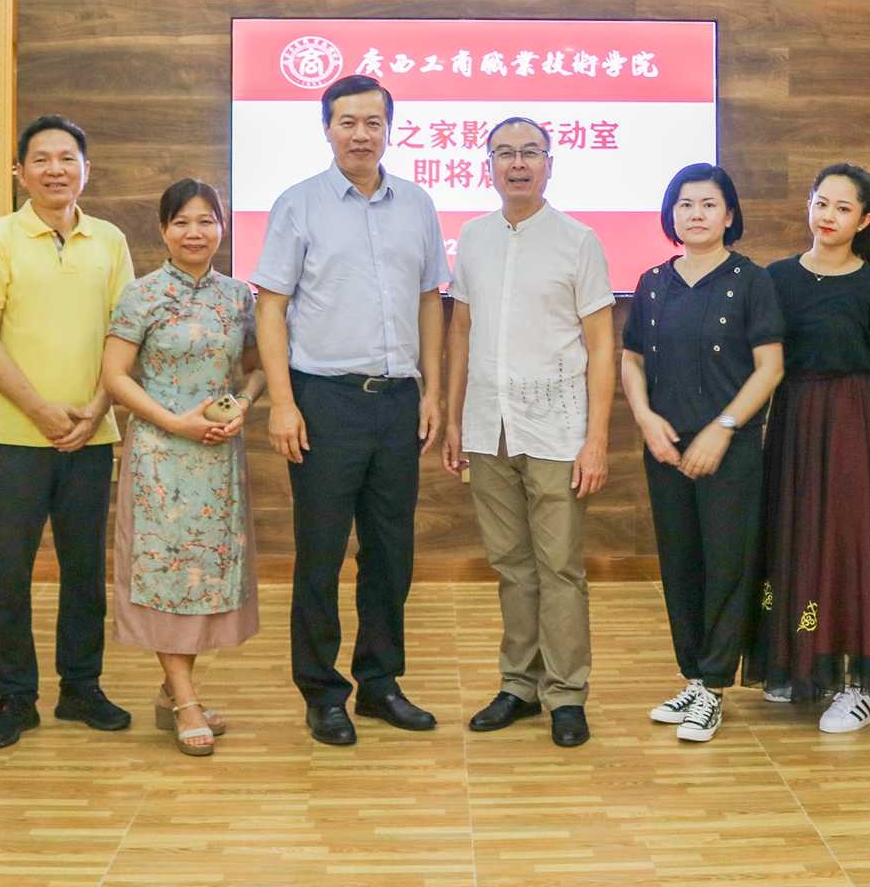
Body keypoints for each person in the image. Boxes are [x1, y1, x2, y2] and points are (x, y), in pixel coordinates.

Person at [252, 75, 449, 747]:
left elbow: (430, 299)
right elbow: (271, 307)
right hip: (324, 401)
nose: (360, 134)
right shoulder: (298, 204)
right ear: (327, 129)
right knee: (321, 552)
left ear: (390, 128)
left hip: (397, 401)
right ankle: (321, 691)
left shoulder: (417, 204)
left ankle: (380, 682)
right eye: (347, 122)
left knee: (391, 552)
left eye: (372, 122)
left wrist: (432, 390)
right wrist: (283, 403)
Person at [745, 163, 870, 734]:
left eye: (843, 207)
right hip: (794, 421)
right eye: (821, 203)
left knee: (853, 541)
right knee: (800, 535)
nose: (828, 216)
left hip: (857, 423)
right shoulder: (775, 278)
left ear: (863, 220)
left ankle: (865, 684)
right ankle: (805, 666)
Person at [441, 118, 616, 749]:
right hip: (488, 426)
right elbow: (461, 330)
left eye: (530, 153)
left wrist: (596, 440)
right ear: (488, 164)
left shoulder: (578, 240)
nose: (517, 164)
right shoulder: (474, 236)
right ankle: (518, 685)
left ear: (549, 163)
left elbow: (602, 343)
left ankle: (566, 694)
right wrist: (455, 418)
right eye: (505, 153)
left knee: (559, 567)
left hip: (556, 430)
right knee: (512, 565)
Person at [0, 114, 136, 750]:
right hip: (15, 437)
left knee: (84, 571)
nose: (55, 169)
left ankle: (81, 687)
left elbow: (125, 334)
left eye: (67, 158)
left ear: (86, 169)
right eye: (41, 159)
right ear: (20, 172)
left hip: (92, 435)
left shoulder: (110, 240)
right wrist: (39, 409)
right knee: (9, 573)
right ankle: (15, 696)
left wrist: (95, 409)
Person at [101, 178, 265, 759]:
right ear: (163, 230)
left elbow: (256, 368)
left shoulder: (238, 297)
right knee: (166, 574)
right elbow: (115, 376)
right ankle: (187, 701)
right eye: (181, 222)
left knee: (203, 575)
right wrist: (175, 423)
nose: (195, 233)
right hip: (161, 457)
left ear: (223, 227)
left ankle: (173, 690)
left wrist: (242, 405)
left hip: (217, 456)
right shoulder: (141, 295)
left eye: (206, 221)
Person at [621, 163, 784, 744]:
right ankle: (693, 677)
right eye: (685, 204)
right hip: (665, 447)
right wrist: (645, 419)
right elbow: (632, 358)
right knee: (681, 563)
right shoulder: (653, 283)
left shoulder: (752, 280)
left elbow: (770, 368)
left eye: (709, 204)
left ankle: (714, 686)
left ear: (729, 214)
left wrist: (724, 428)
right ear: (671, 214)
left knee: (726, 565)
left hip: (729, 449)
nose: (696, 214)